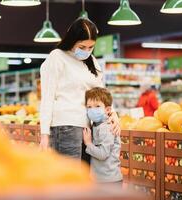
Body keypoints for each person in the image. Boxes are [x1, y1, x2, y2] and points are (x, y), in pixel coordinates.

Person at [39, 18, 120, 159]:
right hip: (65, 125)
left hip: (88, 127)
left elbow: (101, 92)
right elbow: (47, 97)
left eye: (91, 47)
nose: (87, 51)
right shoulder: (57, 57)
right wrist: (44, 134)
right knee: (69, 177)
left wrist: (113, 113)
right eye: (82, 47)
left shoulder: (92, 61)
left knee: (83, 177)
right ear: (72, 40)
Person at [83, 87, 122, 183]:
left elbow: (103, 154)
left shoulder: (106, 127)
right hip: (104, 179)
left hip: (109, 181)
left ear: (108, 110)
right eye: (89, 107)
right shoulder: (97, 125)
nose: (92, 110)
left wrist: (88, 143)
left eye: (97, 106)